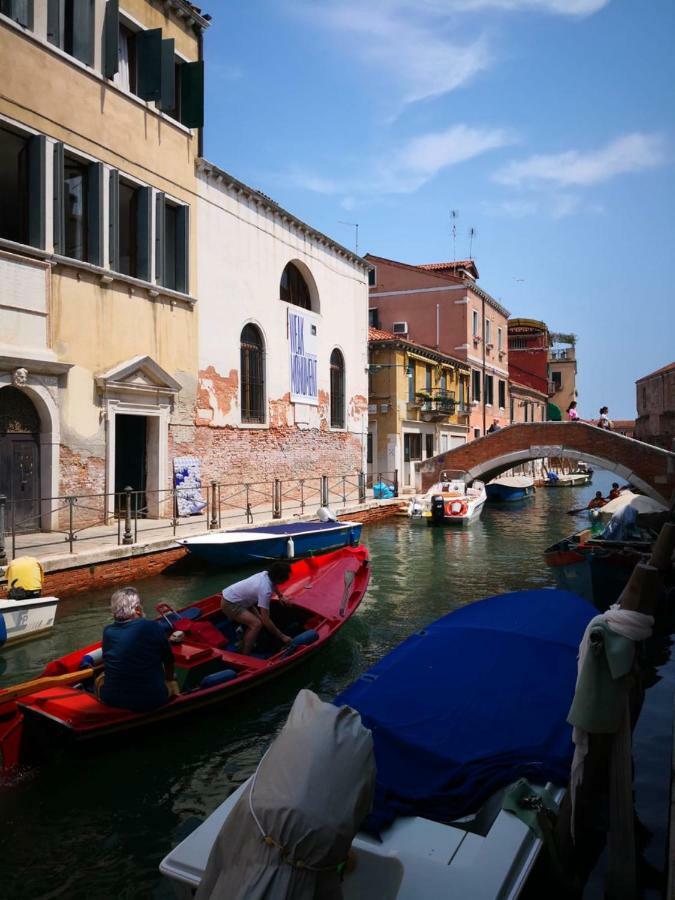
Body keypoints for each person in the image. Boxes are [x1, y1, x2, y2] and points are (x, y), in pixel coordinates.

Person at [99, 587, 177, 712]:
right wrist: (169, 679)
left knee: (100, 678)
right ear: (137, 609)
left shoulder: (107, 631)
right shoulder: (153, 626)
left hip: (112, 699)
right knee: (172, 681)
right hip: (152, 699)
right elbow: (169, 661)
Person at [221, 561, 293, 655]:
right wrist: (282, 636)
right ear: (279, 579)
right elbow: (266, 619)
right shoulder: (265, 590)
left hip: (237, 599)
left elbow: (274, 584)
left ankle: (247, 638)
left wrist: (280, 595)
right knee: (257, 624)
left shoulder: (266, 574)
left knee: (260, 620)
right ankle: (245, 654)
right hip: (230, 603)